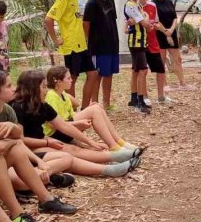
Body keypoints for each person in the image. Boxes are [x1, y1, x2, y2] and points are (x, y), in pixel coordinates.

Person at [0, 96, 78, 222]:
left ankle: (46, 200)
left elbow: (18, 137)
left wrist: (12, 126)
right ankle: (17, 214)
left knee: (16, 151)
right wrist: (13, 141)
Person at [9, 69, 141, 176]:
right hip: (29, 147)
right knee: (70, 153)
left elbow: (64, 126)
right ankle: (111, 165)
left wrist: (89, 141)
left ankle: (116, 157)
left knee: (74, 149)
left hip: (43, 141)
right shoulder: (17, 108)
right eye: (43, 87)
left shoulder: (42, 105)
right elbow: (20, 140)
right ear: (33, 89)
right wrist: (47, 142)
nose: (46, 90)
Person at [44, 0, 97, 109]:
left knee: (92, 74)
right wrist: (56, 39)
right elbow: (49, 19)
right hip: (71, 46)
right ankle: (71, 111)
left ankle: (85, 108)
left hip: (81, 44)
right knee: (71, 78)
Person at [82, 0, 120, 109]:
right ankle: (94, 103)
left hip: (112, 44)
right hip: (98, 46)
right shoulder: (92, 2)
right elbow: (85, 24)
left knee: (109, 73)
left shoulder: (111, 1)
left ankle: (106, 103)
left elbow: (112, 21)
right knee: (97, 75)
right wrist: (89, 41)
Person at [152, 0, 193, 90]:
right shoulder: (153, 4)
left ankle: (182, 83)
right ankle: (164, 85)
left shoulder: (169, 2)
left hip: (172, 34)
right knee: (162, 60)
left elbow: (174, 18)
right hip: (160, 34)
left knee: (178, 59)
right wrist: (165, 31)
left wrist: (171, 30)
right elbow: (155, 20)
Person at [123, 0, 153, 113]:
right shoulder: (130, 5)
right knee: (143, 70)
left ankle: (134, 99)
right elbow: (145, 23)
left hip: (141, 41)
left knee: (136, 70)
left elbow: (144, 24)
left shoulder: (138, 5)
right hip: (136, 42)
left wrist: (139, 20)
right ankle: (140, 101)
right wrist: (143, 19)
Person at [141, 0, 173, 105]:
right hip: (141, 43)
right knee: (143, 70)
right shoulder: (134, 6)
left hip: (153, 42)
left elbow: (156, 22)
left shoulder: (152, 5)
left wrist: (166, 32)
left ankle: (161, 96)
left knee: (160, 68)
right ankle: (144, 96)